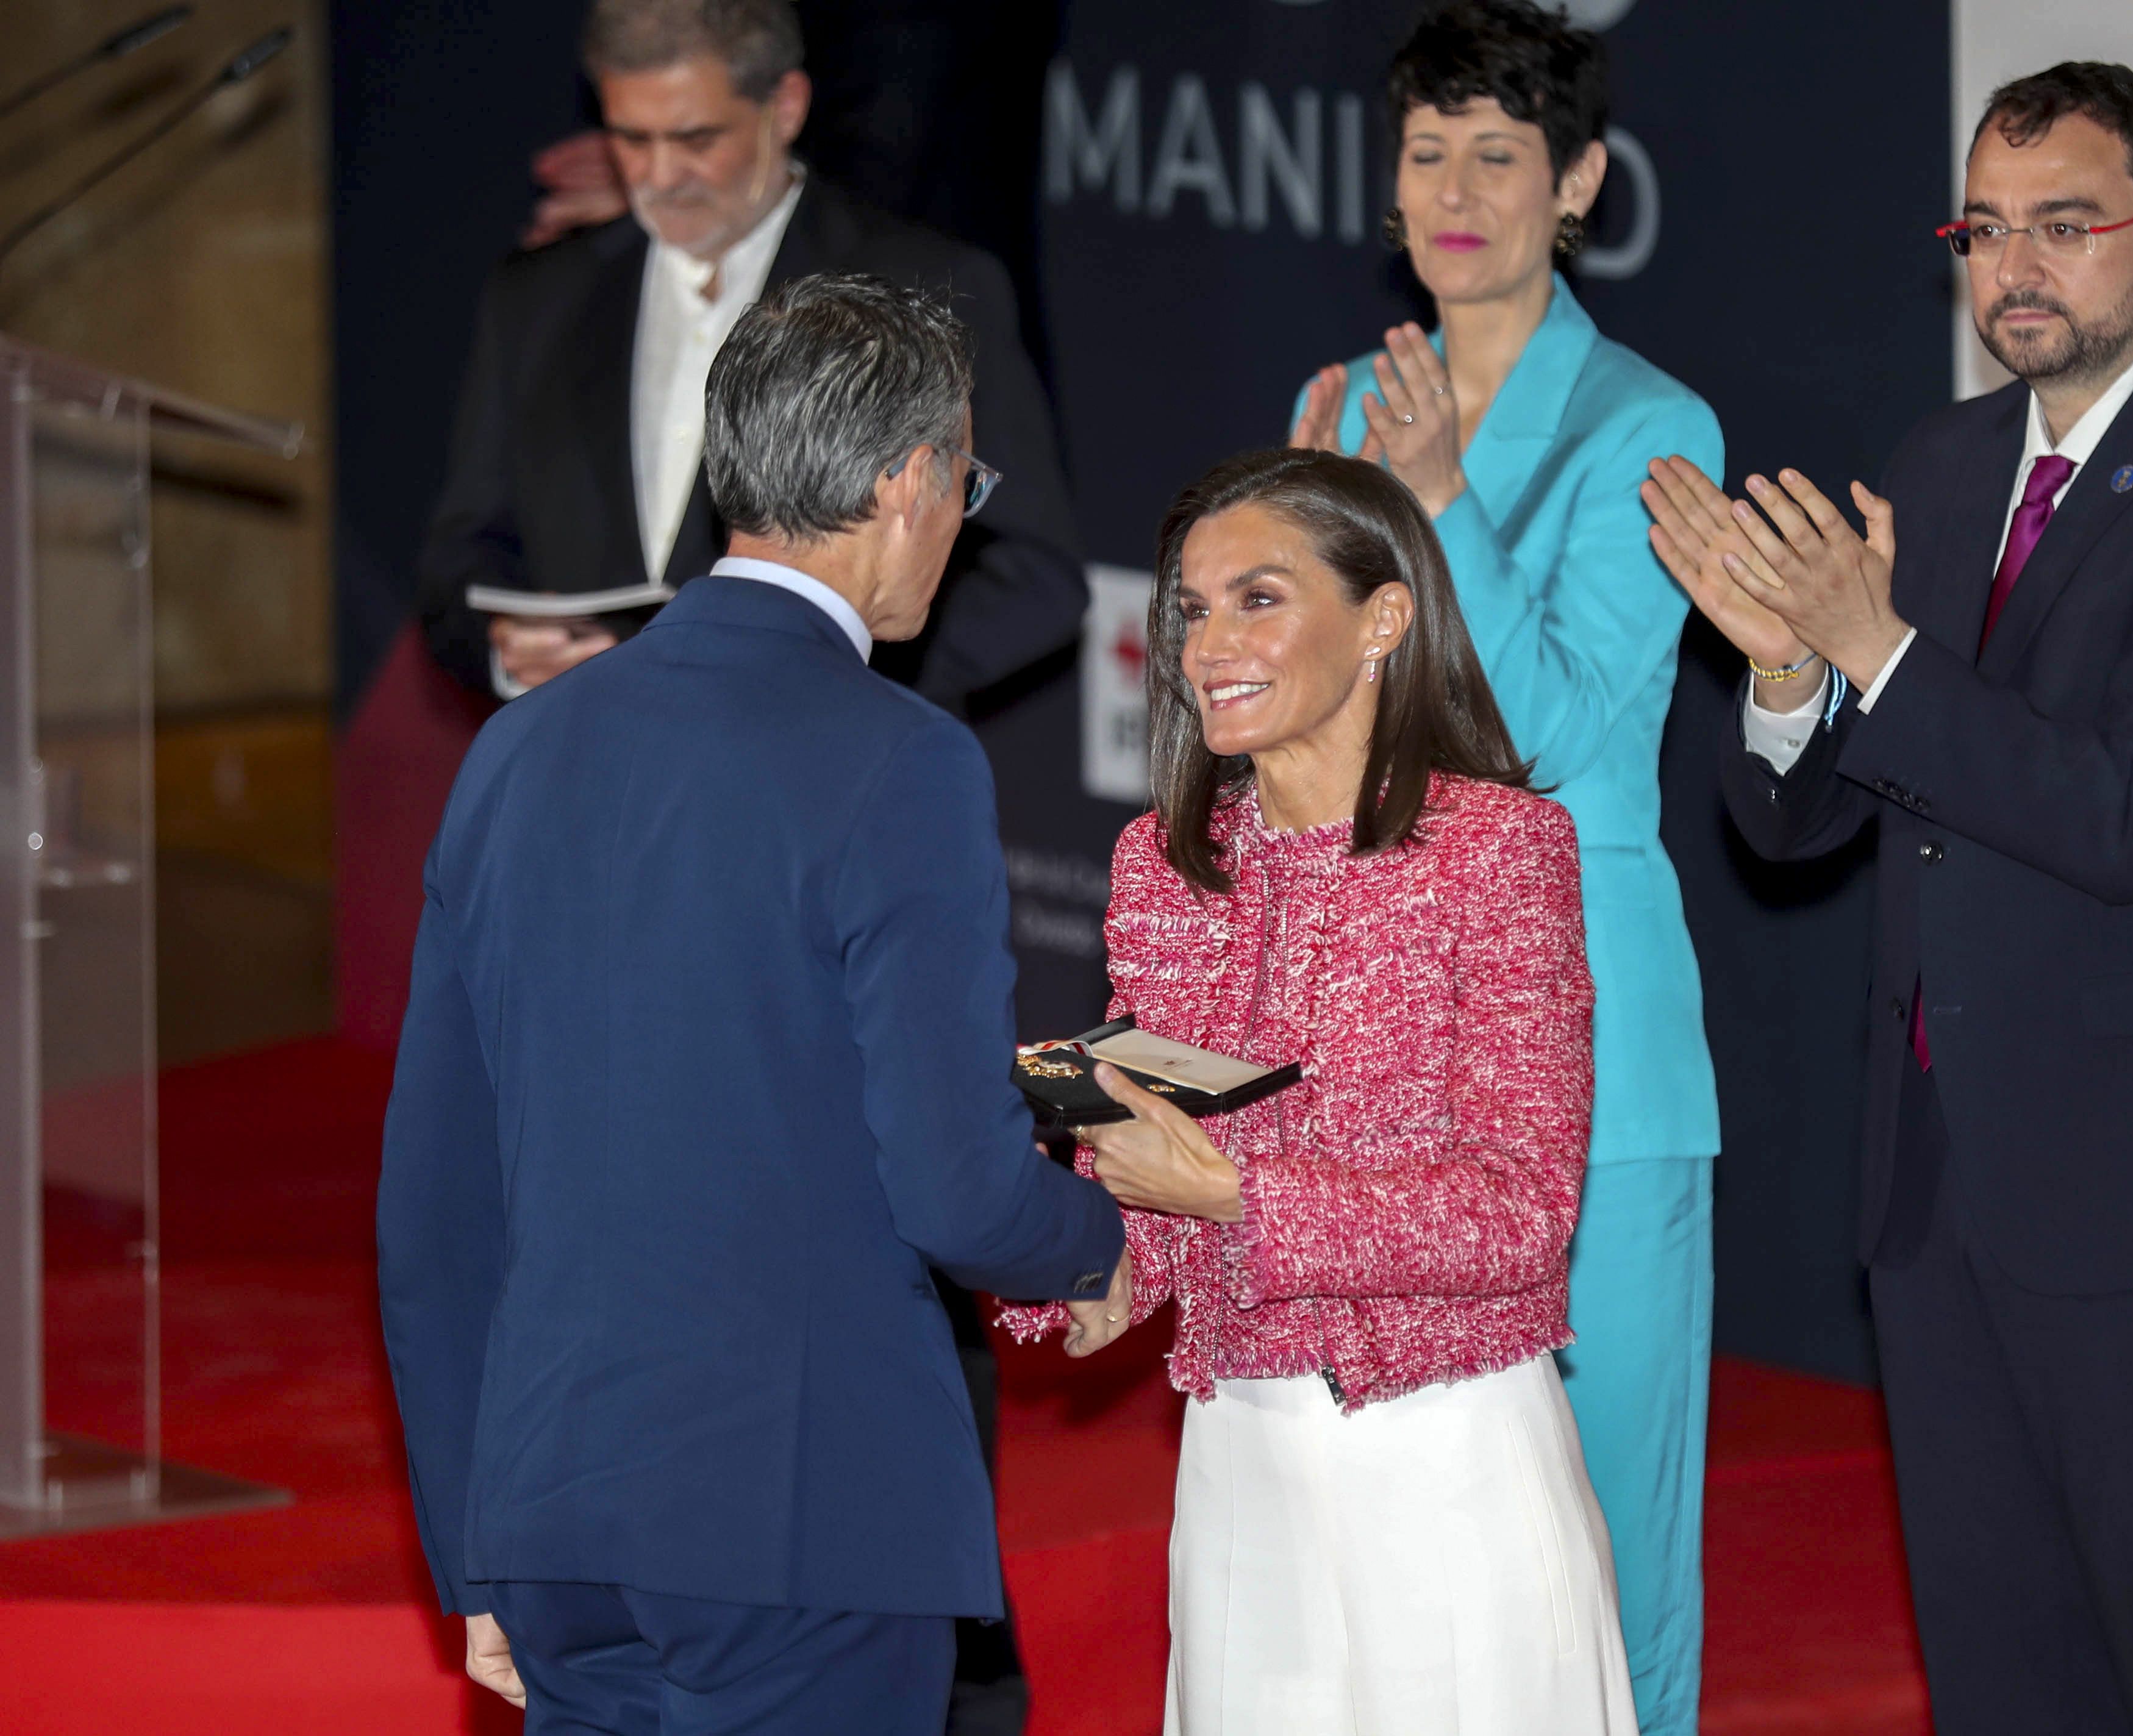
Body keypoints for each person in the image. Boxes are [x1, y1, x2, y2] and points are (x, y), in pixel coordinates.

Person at [1643, 62, 2133, 1736]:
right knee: (1997, 1670)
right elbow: (1800, 822)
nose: (2016, 268)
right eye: (1986, 229)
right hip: (1945, 1181)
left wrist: (1871, 649)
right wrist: (1779, 678)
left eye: (2068, 226)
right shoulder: (1948, 459)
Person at [377, 272, 1127, 1735]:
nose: (959, 518)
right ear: (907, 478)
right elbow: (960, 1190)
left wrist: (476, 1550)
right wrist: (1103, 1235)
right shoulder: (897, 758)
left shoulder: (516, 755)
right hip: (802, 1527)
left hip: (550, 1520)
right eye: (961, 481)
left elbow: (429, 1214)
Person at [1002, 447, 1637, 1735]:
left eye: (1258, 597)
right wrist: (1093, 1267)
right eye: (1190, 606)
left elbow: (1520, 1210)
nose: (1207, 641)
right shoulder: (1164, 864)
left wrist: (1231, 1191)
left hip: (1451, 1456)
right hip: (1240, 1464)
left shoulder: (1501, 851)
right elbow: (1160, 1152)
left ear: (1384, 617)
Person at [1287, 5, 1721, 1727]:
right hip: (1381, 1048)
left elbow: (1551, 742)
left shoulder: (1650, 419)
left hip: (1596, 1039)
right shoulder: (1330, 399)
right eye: (1425, 152)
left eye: (1497, 155)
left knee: (1614, 1539)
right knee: (1405, 1539)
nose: (1455, 191)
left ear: (1580, 185)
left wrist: (1444, 500)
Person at [420, 0, 1084, 712]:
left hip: (819, 778)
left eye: (697, 138)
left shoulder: (922, 288)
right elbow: (457, 567)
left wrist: (819, 688)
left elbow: (1033, 577)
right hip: (592, 777)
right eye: (632, 139)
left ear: (787, 106)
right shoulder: (539, 296)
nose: (662, 175)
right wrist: (511, 652)